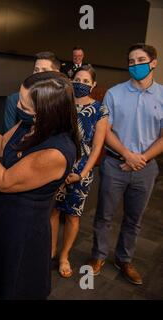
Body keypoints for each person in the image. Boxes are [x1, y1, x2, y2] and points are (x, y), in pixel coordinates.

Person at [0, 71, 79, 299]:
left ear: (46, 112)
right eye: (20, 99)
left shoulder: (56, 152)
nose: (17, 105)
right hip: (4, 215)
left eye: (25, 106)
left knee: (17, 286)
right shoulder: (29, 123)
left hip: (24, 227)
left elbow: (4, 181)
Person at [88, 43, 163, 285]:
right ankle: (98, 256)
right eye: (131, 61)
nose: (135, 65)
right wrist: (127, 155)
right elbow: (104, 130)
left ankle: (124, 259)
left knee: (134, 219)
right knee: (104, 216)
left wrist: (141, 159)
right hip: (115, 165)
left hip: (146, 168)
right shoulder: (114, 93)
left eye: (140, 60)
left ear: (153, 62)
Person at [50, 65, 109, 278]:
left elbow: (97, 147)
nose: (81, 84)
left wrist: (82, 174)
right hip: (56, 167)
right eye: (78, 79)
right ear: (71, 80)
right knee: (53, 211)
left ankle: (64, 256)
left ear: (93, 85)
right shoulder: (61, 104)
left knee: (73, 216)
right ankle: (51, 250)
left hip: (81, 171)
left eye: (86, 81)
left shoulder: (100, 110)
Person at [4, 51, 60, 131]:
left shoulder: (62, 100)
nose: (38, 74)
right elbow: (6, 138)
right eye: (36, 70)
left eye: (44, 70)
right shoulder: (14, 100)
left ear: (56, 74)